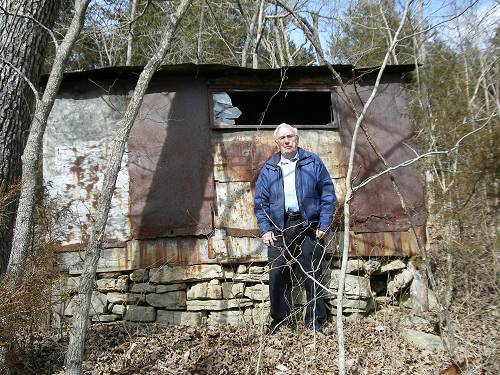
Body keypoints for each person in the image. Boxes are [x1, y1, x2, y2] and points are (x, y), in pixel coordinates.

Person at [254, 123, 336, 333]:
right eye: (283, 138)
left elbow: (327, 193)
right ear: (277, 142)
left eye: (291, 137)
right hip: (279, 227)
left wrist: (324, 223)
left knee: (312, 273)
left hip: (310, 225)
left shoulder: (312, 161)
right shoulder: (270, 167)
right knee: (278, 273)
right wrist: (265, 229)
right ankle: (281, 322)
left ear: (297, 139)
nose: (287, 141)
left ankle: (314, 322)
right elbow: (260, 202)